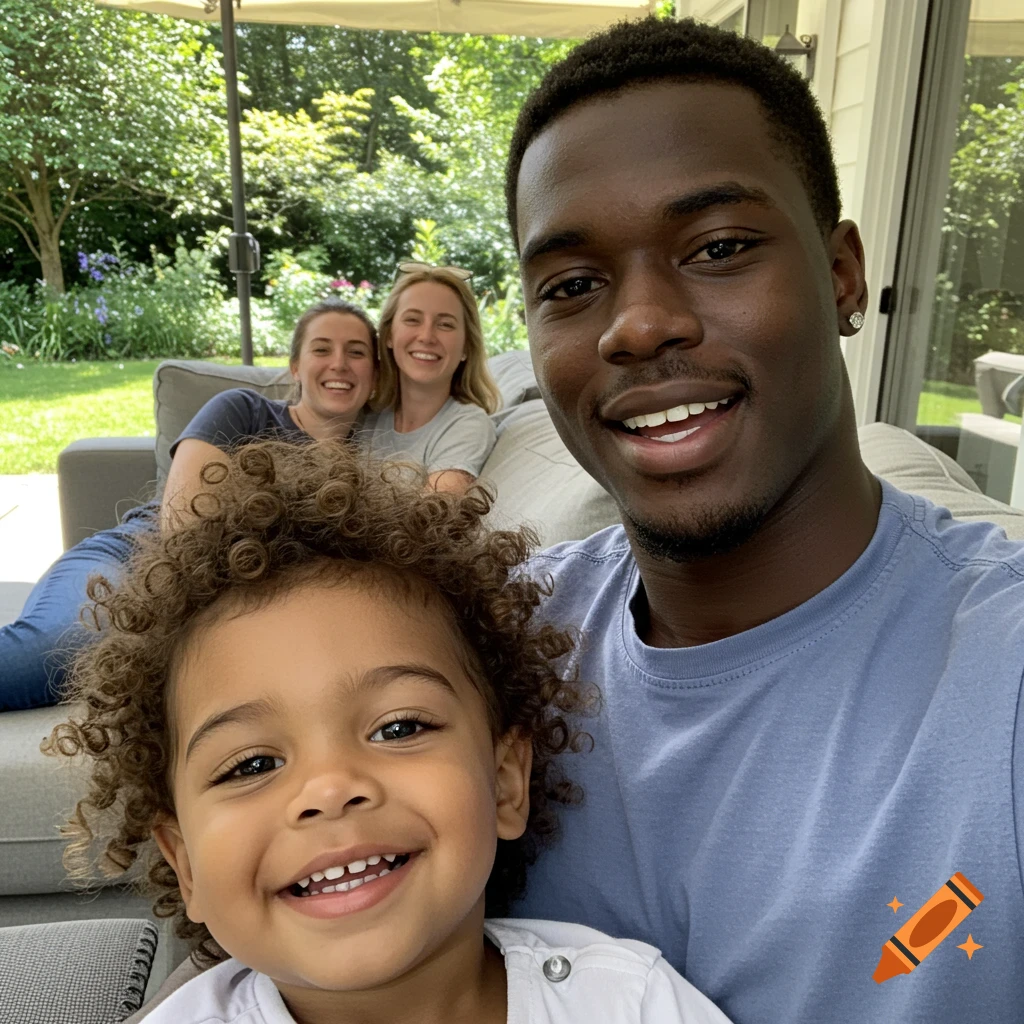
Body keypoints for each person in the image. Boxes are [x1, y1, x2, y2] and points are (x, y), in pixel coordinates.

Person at [503, 17, 1024, 1024]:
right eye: (571, 285)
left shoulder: (999, 685)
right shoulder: (487, 649)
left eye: (719, 247)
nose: (639, 323)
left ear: (841, 275)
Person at [44, 440, 734, 1024]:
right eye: (250, 765)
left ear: (503, 780)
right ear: (185, 863)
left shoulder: (628, 1003)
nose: (329, 789)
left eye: (399, 726)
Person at [0, 298, 376, 711]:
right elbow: (184, 523)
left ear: (374, 375)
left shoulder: (372, 460)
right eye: (321, 349)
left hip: (240, 597)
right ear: (295, 367)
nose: (339, 363)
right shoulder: (243, 410)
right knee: (63, 646)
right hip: (136, 555)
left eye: (356, 352)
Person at [359, 264, 500, 495]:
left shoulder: (468, 424)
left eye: (445, 324)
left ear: (466, 346)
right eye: (412, 320)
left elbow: (429, 517)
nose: (426, 336)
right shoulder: (363, 415)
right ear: (389, 336)